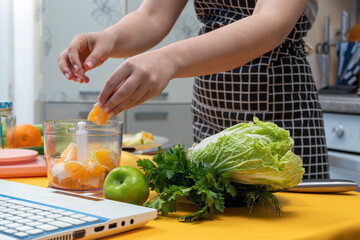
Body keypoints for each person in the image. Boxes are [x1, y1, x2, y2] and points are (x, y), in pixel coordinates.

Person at [58, 0, 329, 179]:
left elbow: (272, 23)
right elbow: (152, 16)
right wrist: (110, 37)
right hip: (210, 108)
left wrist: (168, 59)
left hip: (279, 106)